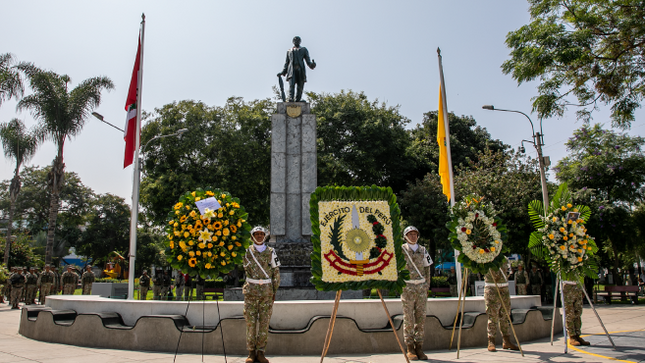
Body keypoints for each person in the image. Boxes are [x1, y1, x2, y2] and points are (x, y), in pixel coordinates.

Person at [243, 226, 280, 363]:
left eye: (261, 234)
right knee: (250, 323)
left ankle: (261, 352)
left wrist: (274, 291)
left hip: (266, 292)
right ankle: (251, 352)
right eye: (256, 234)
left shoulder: (271, 252)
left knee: (264, 323)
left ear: (265, 236)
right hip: (251, 292)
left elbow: (276, 273)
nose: (259, 236)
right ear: (252, 236)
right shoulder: (246, 252)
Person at [401, 226, 432, 361]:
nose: (413, 236)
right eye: (410, 234)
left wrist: (427, 286)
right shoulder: (401, 250)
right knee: (408, 318)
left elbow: (427, 269)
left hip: (421, 288)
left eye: (415, 234)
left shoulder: (423, 250)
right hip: (407, 287)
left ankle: (419, 346)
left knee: (421, 318)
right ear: (405, 236)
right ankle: (409, 347)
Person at [484, 261, 519, 352]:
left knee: (505, 315)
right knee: (492, 315)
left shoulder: (504, 259)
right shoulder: (485, 255)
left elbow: (508, 271)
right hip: (491, 288)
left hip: (504, 288)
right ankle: (491, 340)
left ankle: (506, 340)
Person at [278, 36, 316, 102]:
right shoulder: (289, 51)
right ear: (293, 41)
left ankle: (298, 99)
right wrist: (283, 72)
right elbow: (287, 62)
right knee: (291, 85)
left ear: (300, 41)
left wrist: (312, 65)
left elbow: (308, 61)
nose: (296, 41)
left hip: (300, 70)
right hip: (291, 70)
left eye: (298, 40)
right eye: (295, 40)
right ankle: (291, 98)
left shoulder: (304, 49)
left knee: (300, 86)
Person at [563, 279, 590, 346]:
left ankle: (577, 335)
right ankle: (572, 336)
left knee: (577, 313)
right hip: (568, 286)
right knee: (570, 313)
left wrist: (583, 287)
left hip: (578, 286)